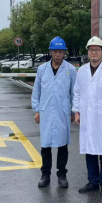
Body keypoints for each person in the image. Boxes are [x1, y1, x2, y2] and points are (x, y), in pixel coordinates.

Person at [73, 36, 102, 198]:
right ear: (88, 52)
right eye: (91, 50)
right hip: (87, 117)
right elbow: (77, 92)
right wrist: (77, 111)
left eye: (97, 50)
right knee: (90, 151)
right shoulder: (82, 71)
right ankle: (93, 182)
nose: (94, 53)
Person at [31, 36, 77, 188]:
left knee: (63, 145)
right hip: (45, 112)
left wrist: (73, 111)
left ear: (64, 52)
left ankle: (62, 175)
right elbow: (36, 91)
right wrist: (36, 110)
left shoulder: (70, 70)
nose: (58, 54)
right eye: (55, 51)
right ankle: (45, 175)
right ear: (51, 52)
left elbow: (74, 93)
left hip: (63, 112)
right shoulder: (42, 69)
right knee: (46, 145)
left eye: (60, 52)